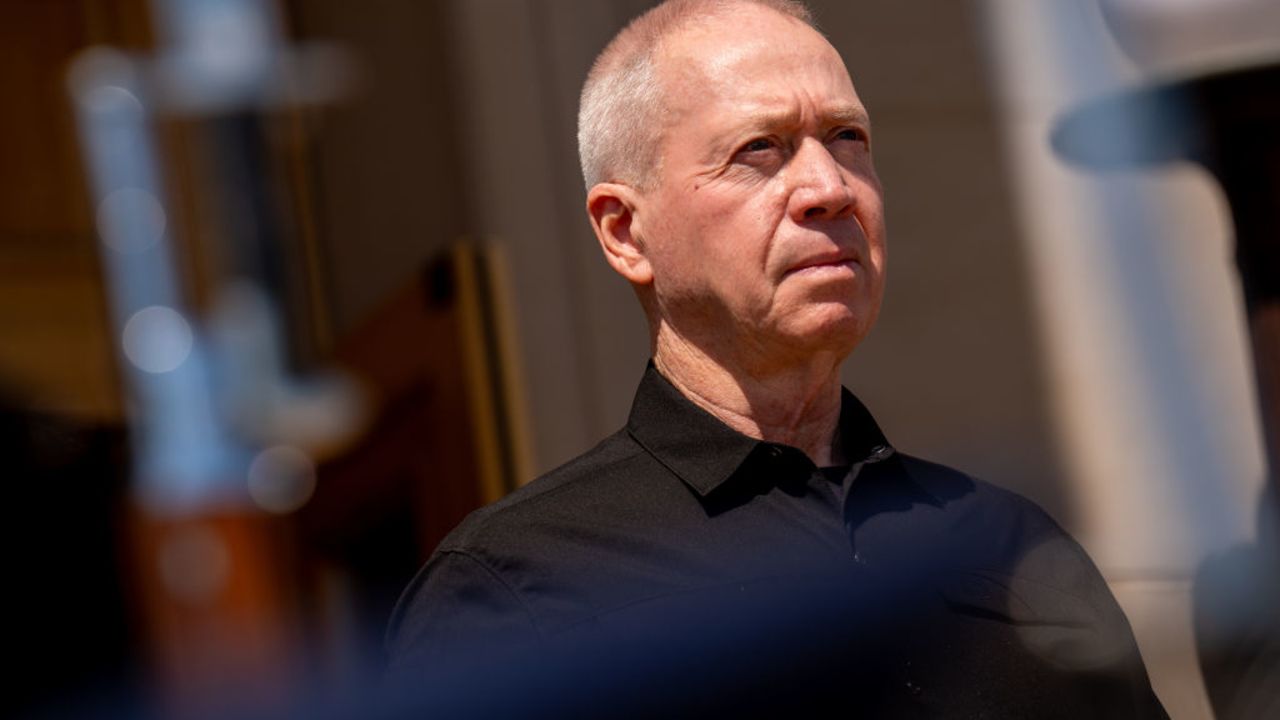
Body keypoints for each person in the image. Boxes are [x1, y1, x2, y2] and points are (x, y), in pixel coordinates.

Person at [385, 1, 1169, 716]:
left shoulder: (1012, 543)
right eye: (759, 150)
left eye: (847, 138)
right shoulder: (514, 589)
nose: (829, 188)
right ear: (626, 232)